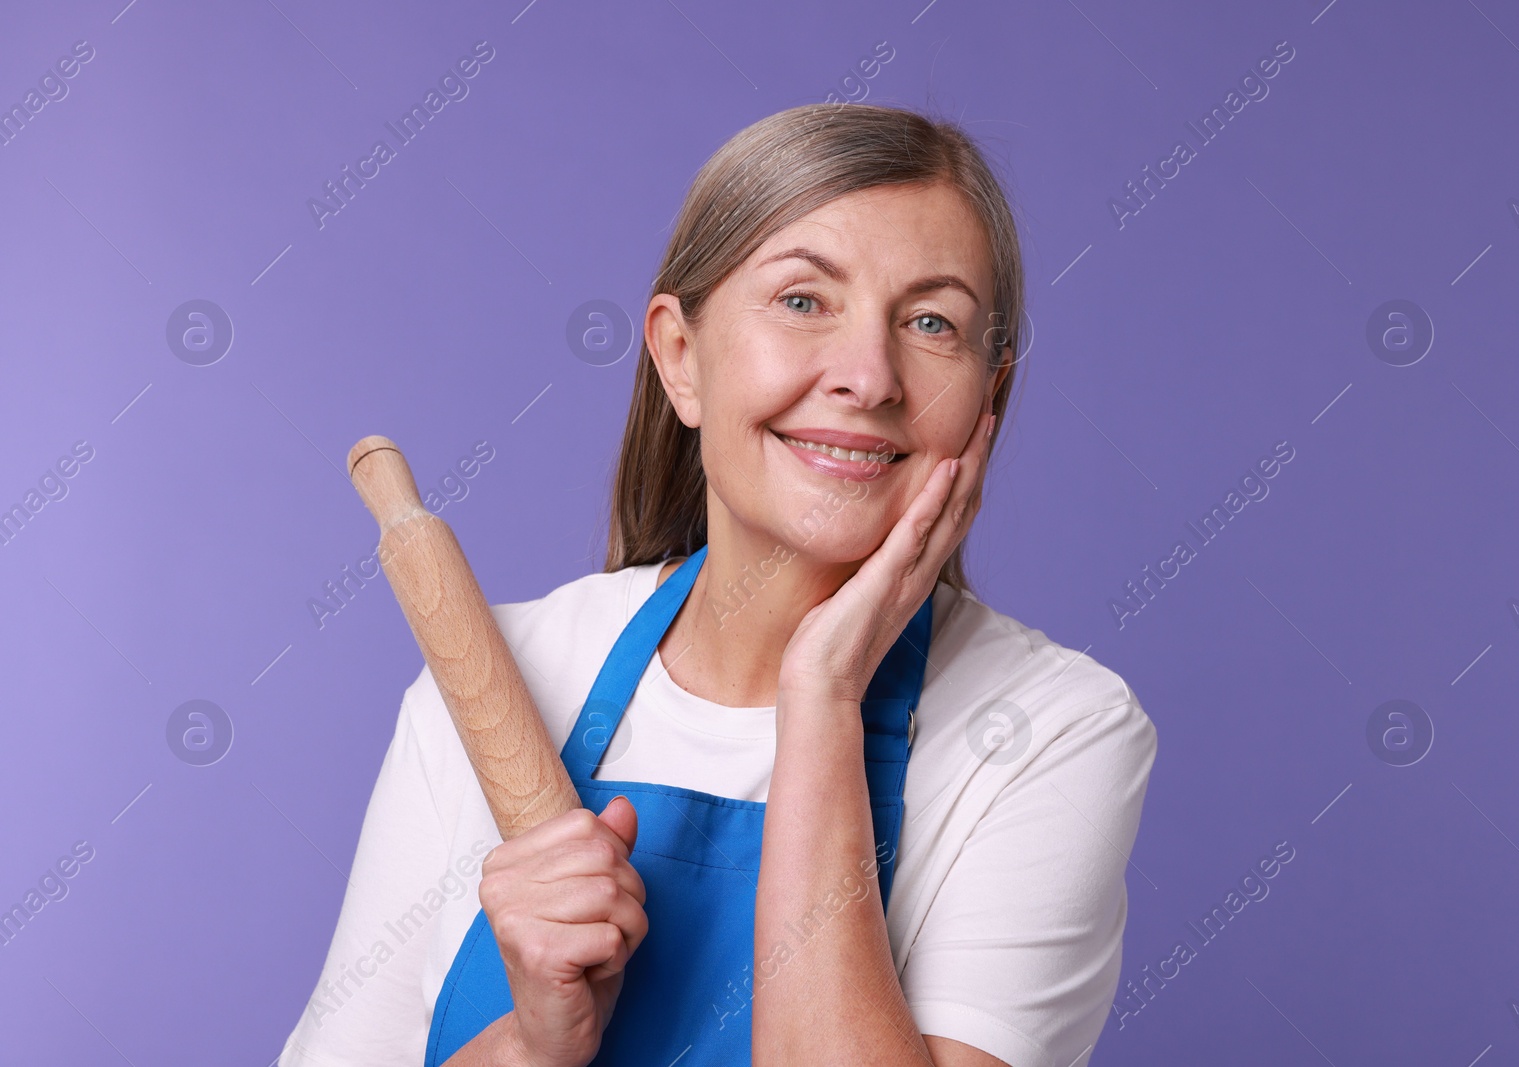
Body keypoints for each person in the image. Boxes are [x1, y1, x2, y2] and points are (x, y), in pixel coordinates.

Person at [278, 101, 1156, 1067]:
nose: (869, 376)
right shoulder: (504, 673)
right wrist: (531, 1045)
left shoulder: (1050, 728)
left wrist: (822, 697)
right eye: (803, 301)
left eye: (931, 321)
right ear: (681, 357)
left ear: (986, 401)